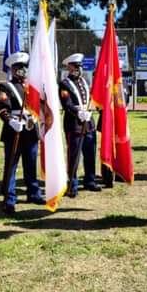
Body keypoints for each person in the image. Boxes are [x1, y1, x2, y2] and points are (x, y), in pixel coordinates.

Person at [0, 52, 45, 214]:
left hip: (30, 130)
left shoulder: (31, 86)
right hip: (14, 131)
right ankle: (9, 198)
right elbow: (3, 109)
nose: (23, 71)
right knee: (11, 165)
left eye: (25, 67)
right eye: (19, 68)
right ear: (13, 69)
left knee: (31, 163)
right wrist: (11, 121)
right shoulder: (6, 87)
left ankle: (33, 193)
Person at [59, 53, 101, 197]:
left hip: (88, 122)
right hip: (74, 124)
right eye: (76, 66)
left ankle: (90, 181)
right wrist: (79, 113)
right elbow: (67, 104)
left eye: (80, 66)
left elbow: (88, 99)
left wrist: (88, 111)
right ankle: (72, 184)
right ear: (69, 67)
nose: (79, 68)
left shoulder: (84, 81)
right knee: (74, 156)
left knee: (90, 153)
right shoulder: (64, 84)